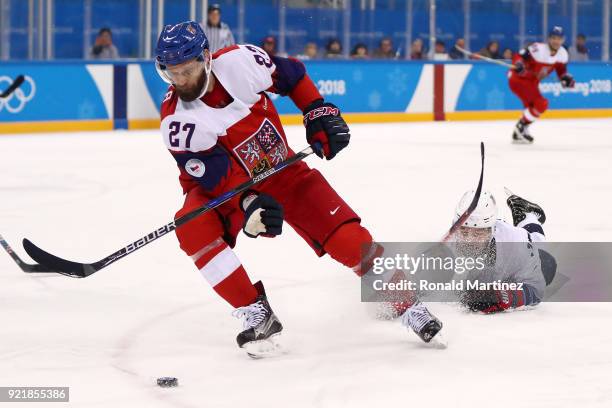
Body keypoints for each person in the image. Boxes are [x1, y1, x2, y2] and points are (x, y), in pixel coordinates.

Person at [154, 21, 444, 357]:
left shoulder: (239, 63)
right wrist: (248, 201)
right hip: (220, 189)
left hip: (282, 171)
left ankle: (408, 305)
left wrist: (315, 110)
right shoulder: (178, 122)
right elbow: (216, 178)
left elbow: (291, 74)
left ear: (206, 57)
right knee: (192, 225)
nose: (180, 81)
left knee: (349, 240)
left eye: (186, 70)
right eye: (171, 73)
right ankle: (256, 313)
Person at [451, 189, 555, 314]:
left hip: (510, 263)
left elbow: (536, 289)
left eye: (478, 233)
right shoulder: (443, 248)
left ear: (492, 230)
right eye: (464, 231)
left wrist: (504, 296)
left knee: (546, 264)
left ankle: (527, 215)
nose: (469, 240)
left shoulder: (515, 241)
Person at [508, 26, 574, 143]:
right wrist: (519, 63)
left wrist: (564, 78)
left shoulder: (563, 54)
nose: (556, 41)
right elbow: (519, 56)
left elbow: (561, 69)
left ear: (563, 40)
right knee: (541, 104)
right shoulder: (538, 49)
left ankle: (521, 131)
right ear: (549, 38)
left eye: (559, 38)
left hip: (532, 82)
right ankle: (520, 127)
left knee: (533, 107)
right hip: (518, 79)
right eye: (553, 38)